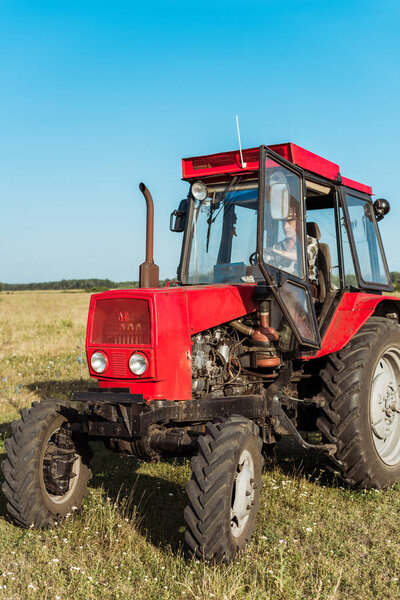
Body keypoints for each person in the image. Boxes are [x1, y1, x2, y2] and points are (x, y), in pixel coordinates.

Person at [265, 209, 319, 299]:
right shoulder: (278, 246)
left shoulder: (310, 242)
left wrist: (277, 252)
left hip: (305, 287)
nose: (285, 227)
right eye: (283, 223)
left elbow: (303, 257)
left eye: (289, 222)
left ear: (298, 223)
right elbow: (266, 263)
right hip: (282, 286)